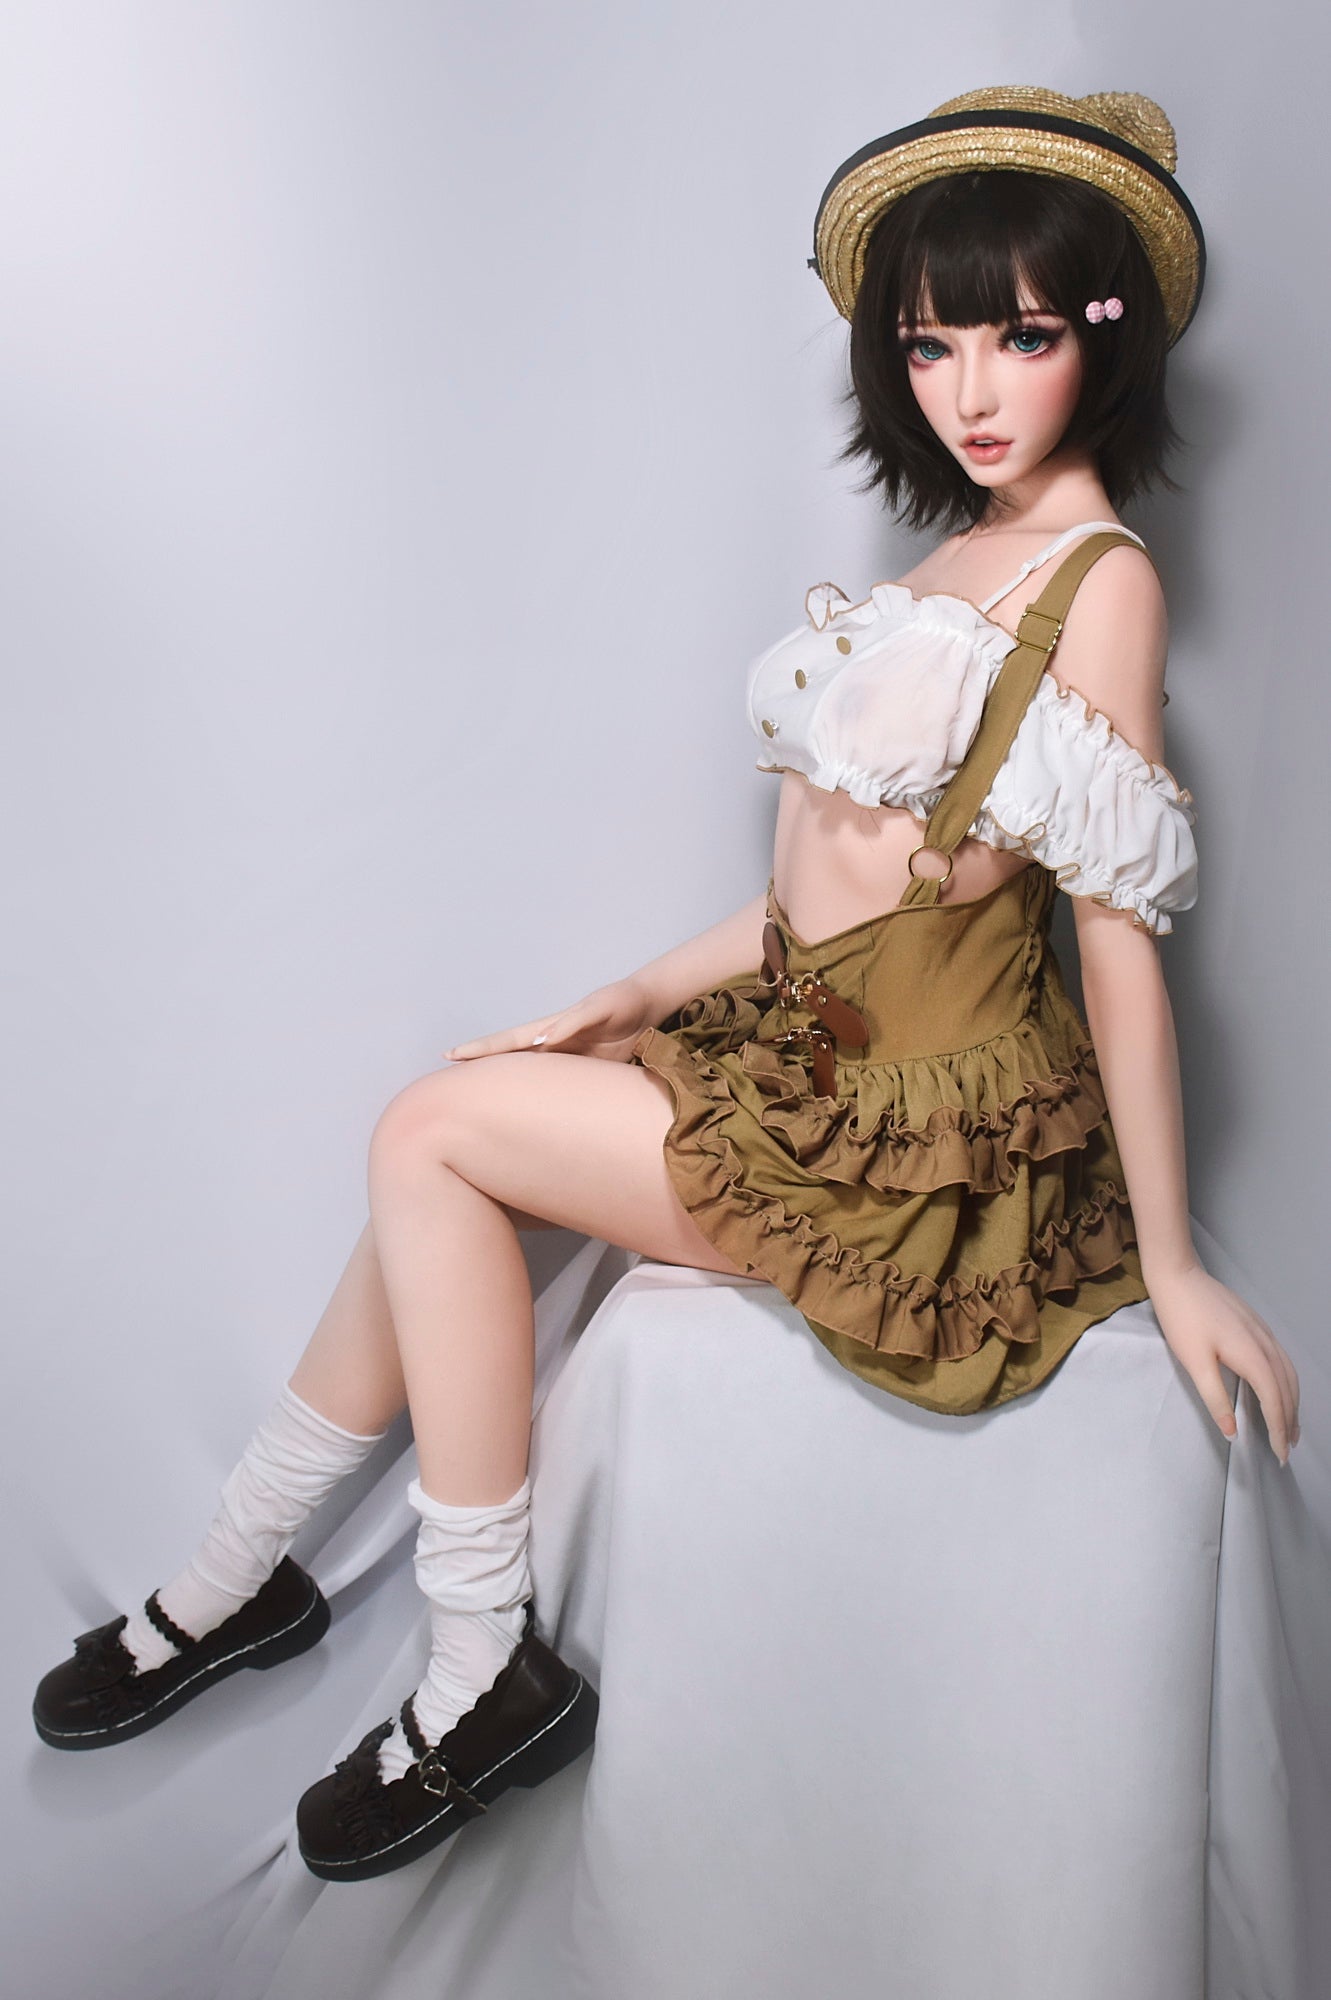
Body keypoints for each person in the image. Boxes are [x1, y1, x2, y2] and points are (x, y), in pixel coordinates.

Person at [32, 84, 1301, 1885]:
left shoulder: (1100, 580)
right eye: (932, 344)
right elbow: (826, 897)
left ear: (1107, 341)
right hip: (811, 1051)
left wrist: (1169, 1262)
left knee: (428, 1137)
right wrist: (619, 999)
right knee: (451, 1143)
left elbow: (1113, 939)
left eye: (1022, 337)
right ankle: (240, 1574)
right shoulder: (955, 556)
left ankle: (467, 1665)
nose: (972, 388)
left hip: (914, 1158)